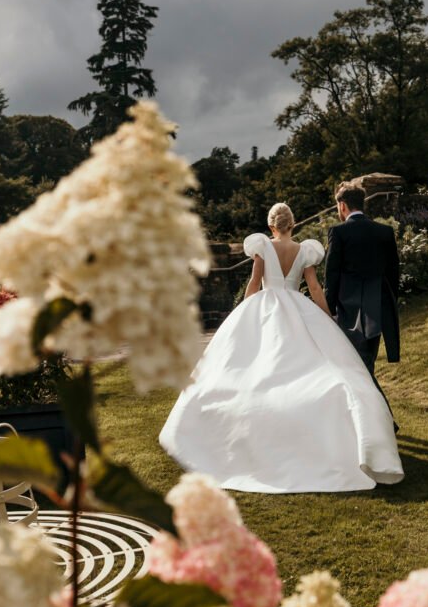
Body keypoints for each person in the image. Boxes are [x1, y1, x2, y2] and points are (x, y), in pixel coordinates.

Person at [159, 202, 404, 493]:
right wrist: (327, 319)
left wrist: (242, 311)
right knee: (310, 364)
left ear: (271, 225)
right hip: (299, 307)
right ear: (293, 223)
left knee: (257, 366)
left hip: (266, 307)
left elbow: (254, 282)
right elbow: (313, 288)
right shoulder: (305, 250)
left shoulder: (262, 246)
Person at [324, 182, 400, 382]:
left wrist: (327, 310)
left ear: (342, 205)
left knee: (356, 367)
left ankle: (373, 408)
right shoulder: (384, 232)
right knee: (367, 363)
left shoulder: (339, 233)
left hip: (348, 311)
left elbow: (332, 274)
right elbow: (393, 273)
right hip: (377, 309)